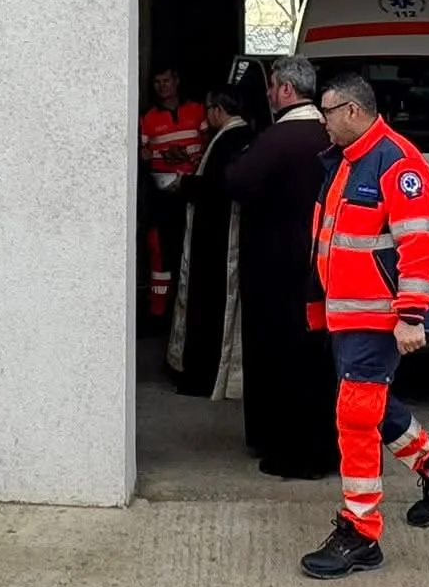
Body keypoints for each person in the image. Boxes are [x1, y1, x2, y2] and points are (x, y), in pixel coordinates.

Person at [297, 72, 429, 578]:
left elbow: (418, 244)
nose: (323, 123)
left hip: (378, 316)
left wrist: (412, 315)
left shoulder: (397, 162)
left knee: (355, 415)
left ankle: (361, 533)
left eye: (327, 113)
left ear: (352, 111)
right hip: (349, 314)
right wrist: (319, 305)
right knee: (372, 407)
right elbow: (330, 242)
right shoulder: (346, 161)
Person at [225, 54, 339, 480]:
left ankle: (291, 452)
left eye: (273, 86)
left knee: (283, 361)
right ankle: (325, 447)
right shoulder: (330, 134)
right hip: (326, 265)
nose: (270, 94)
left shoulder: (280, 137)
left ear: (287, 90)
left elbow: (238, 182)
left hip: (279, 269)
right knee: (320, 362)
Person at [167, 87, 256, 397]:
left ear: (218, 109)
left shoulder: (230, 139)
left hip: (216, 240)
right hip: (219, 233)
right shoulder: (238, 136)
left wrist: (184, 183)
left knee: (210, 306)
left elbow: (216, 187)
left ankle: (202, 374)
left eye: (208, 110)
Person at [139, 67, 208, 325]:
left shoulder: (197, 110)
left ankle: (190, 309)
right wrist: (144, 155)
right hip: (163, 196)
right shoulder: (147, 118)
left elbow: (209, 139)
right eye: (157, 82)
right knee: (159, 250)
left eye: (166, 80)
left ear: (176, 81)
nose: (162, 86)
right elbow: (141, 151)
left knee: (192, 249)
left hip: (193, 191)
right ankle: (158, 313)